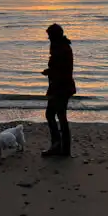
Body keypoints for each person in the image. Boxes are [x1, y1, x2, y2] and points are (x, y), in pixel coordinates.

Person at [41, 23, 76, 157]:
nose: (48, 38)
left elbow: (61, 71)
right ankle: (63, 148)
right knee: (60, 116)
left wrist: (50, 72)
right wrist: (49, 71)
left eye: (49, 36)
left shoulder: (60, 49)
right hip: (63, 87)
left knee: (52, 115)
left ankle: (58, 145)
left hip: (60, 88)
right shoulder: (62, 47)